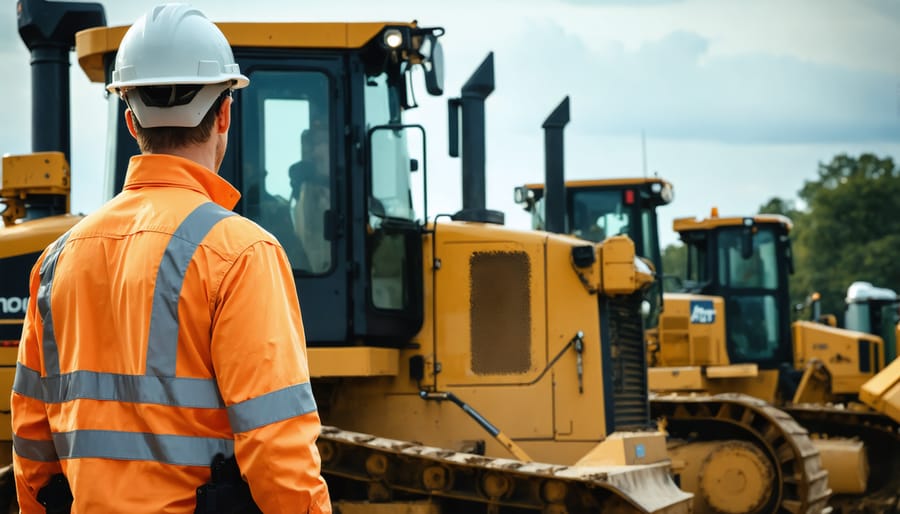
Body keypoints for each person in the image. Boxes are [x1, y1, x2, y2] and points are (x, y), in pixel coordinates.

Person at [10, 4, 331, 513]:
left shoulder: (55, 261)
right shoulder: (241, 252)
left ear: (130, 117)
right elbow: (277, 449)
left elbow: (31, 441)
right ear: (224, 112)